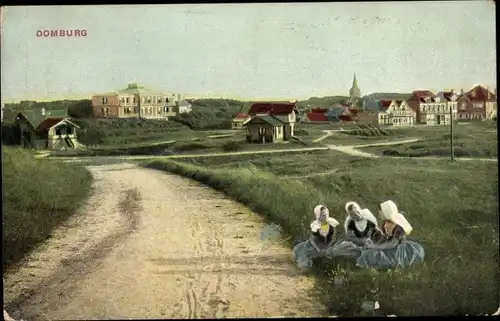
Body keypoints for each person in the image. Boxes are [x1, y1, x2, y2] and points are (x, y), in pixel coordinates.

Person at [356, 200, 425, 268]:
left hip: (395, 251)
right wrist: (372, 240)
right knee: (367, 248)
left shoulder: (398, 227)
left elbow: (392, 244)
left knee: (370, 254)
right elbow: (384, 235)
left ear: (387, 213)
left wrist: (374, 246)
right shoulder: (387, 222)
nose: (379, 212)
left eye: (381, 211)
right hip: (386, 243)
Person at [292, 205, 340, 270]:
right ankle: (303, 267)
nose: (325, 216)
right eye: (323, 215)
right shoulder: (316, 225)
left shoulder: (332, 224)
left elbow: (334, 238)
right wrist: (318, 249)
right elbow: (312, 239)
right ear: (318, 216)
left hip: (328, 245)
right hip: (315, 245)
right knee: (300, 250)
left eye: (326, 214)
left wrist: (327, 248)